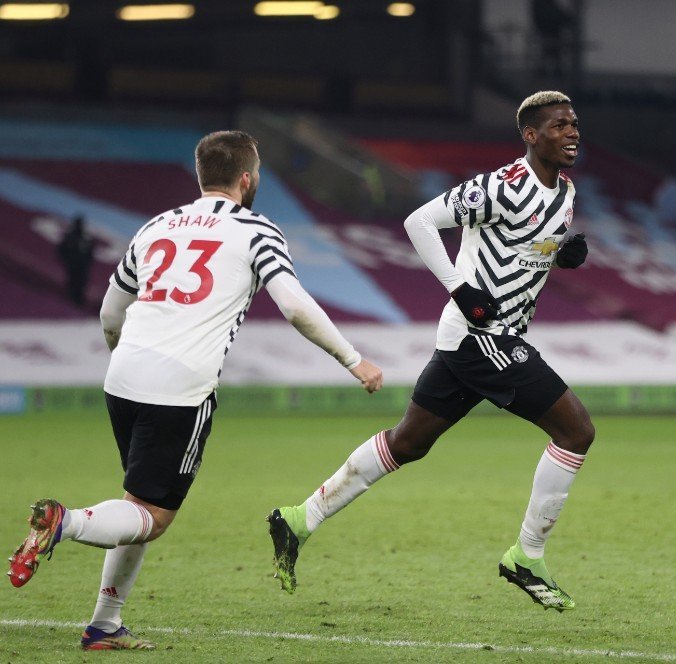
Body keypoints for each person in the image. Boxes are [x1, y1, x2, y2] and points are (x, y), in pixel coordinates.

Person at [7, 131, 383, 650]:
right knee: (152, 518)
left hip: (123, 378)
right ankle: (62, 522)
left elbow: (110, 314)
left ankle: (105, 625)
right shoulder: (257, 229)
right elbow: (295, 306)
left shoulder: (156, 225)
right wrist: (353, 359)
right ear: (248, 178)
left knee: (136, 502)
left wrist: (126, 357)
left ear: (200, 174)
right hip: (179, 386)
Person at [267, 90, 592, 611]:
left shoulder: (566, 192)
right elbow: (418, 221)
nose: (571, 132)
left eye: (574, 124)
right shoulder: (500, 187)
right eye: (558, 126)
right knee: (576, 430)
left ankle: (299, 518)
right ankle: (526, 556)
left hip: (469, 340)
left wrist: (564, 253)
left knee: (407, 443)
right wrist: (460, 288)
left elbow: (530, 248)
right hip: (483, 338)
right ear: (530, 136)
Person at [57, 214, 95, 307]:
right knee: (73, 283)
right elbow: (62, 250)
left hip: (81, 267)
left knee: (80, 284)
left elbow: (90, 252)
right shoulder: (70, 237)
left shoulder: (85, 238)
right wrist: (67, 260)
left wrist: (87, 262)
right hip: (73, 265)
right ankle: (72, 300)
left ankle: (78, 301)